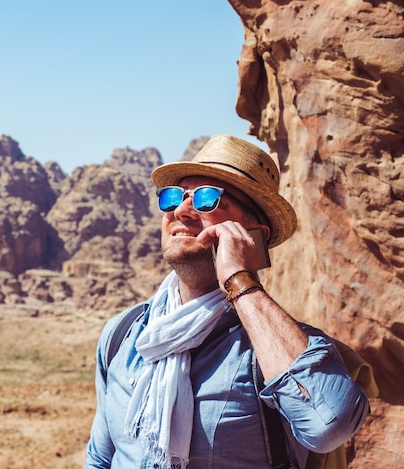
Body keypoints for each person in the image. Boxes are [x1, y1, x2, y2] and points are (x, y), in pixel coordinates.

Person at [85, 135, 371, 469]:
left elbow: (329, 424)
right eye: (173, 197)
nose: (180, 210)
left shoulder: (281, 351)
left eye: (207, 199)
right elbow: (101, 458)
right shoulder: (124, 335)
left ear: (253, 233)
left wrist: (239, 278)